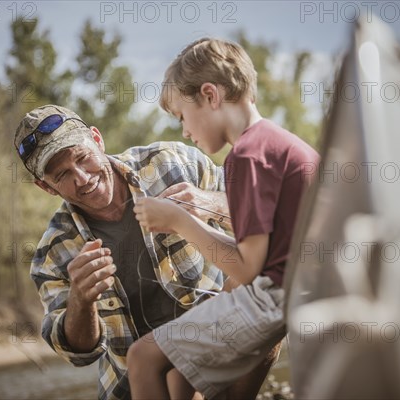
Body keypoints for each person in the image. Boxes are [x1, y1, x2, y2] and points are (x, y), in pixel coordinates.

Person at [14, 104, 276, 400]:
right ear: (45, 187)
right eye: (62, 175)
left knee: (265, 287)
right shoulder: (53, 253)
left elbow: (264, 215)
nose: (82, 178)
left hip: (215, 347)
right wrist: (81, 300)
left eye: (83, 158)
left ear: (97, 140)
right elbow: (78, 353)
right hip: (133, 385)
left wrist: (211, 203)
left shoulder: (171, 163)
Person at [128, 38, 320, 399]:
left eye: (183, 116)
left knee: (143, 359)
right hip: (301, 288)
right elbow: (264, 255)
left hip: (274, 298)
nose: (184, 132)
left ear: (210, 96)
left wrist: (178, 221)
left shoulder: (247, 156)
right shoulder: (281, 143)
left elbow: (248, 268)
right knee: (178, 377)